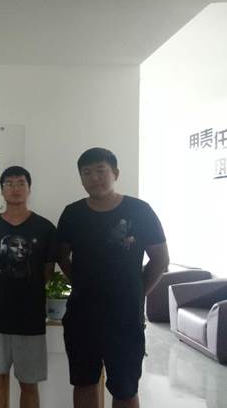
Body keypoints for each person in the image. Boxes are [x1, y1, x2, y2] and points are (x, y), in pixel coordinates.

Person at [57, 147, 169, 408]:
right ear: (81, 179)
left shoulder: (140, 210)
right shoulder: (72, 213)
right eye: (87, 172)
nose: (94, 178)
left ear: (115, 173)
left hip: (125, 317)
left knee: (125, 388)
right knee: (84, 382)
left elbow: (160, 259)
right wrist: (81, 284)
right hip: (82, 316)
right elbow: (62, 256)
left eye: (101, 170)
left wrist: (137, 291)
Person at [0, 166, 57, 408]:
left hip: (31, 318)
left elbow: (47, 270)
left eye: (21, 183)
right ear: (1, 190)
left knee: (29, 384)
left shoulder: (45, 228)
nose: (15, 188)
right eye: (9, 184)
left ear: (29, 188)